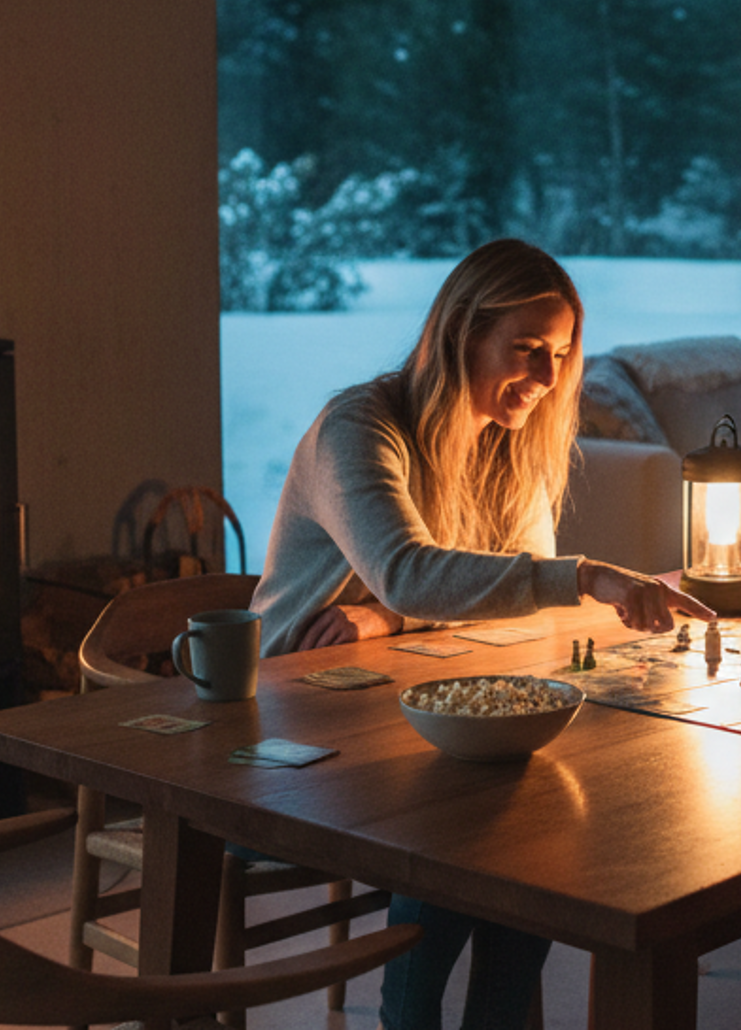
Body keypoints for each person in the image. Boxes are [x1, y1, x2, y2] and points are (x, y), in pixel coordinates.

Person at [249, 238, 714, 1030]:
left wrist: (389, 617)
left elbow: (503, 590)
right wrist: (585, 576)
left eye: (560, 355)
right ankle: (413, 1018)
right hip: (296, 720)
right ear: (462, 332)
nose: (546, 377)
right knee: (475, 818)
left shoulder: (507, 439)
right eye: (527, 348)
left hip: (400, 695)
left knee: (528, 806)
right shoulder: (357, 427)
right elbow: (411, 570)